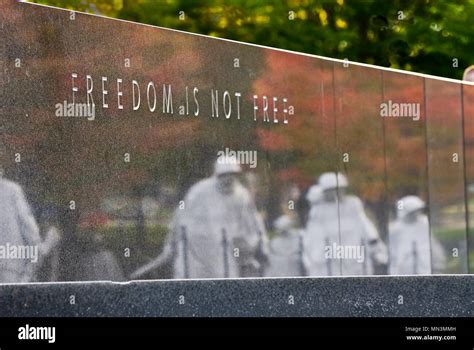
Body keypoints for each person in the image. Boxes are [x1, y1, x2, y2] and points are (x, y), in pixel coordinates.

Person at [131, 155, 267, 279]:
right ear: (217, 174)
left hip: (225, 253)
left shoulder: (241, 196)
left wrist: (255, 246)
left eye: (232, 174)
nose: (228, 179)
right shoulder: (199, 192)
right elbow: (180, 217)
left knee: (226, 283)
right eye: (224, 174)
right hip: (196, 252)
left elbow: (251, 224)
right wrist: (172, 242)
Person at [306, 172, 388, 276]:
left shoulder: (353, 204)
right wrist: (316, 256)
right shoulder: (319, 211)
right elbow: (313, 236)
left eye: (340, 189)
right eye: (332, 190)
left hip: (354, 251)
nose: (337, 193)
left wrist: (375, 246)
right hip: (331, 255)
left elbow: (364, 224)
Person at [0, 170, 59, 283]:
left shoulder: (12, 191)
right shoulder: (12, 191)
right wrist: (44, 248)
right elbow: (30, 231)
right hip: (11, 268)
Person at [389, 195, 445, 275]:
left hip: (424, 267)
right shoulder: (396, 229)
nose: (416, 213)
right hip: (405, 268)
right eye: (413, 211)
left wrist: (438, 263)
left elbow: (433, 244)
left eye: (417, 210)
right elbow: (393, 251)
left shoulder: (424, 224)